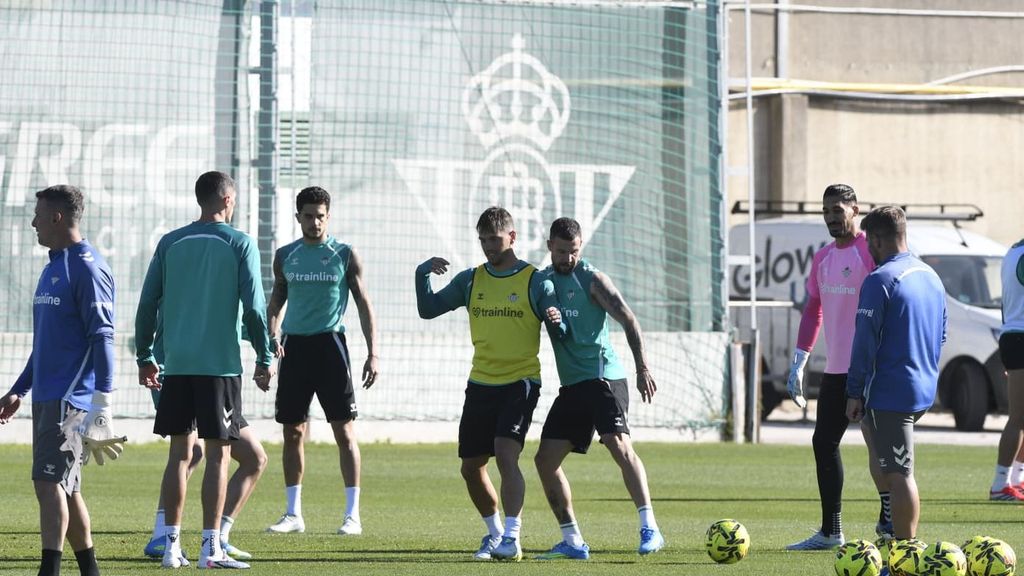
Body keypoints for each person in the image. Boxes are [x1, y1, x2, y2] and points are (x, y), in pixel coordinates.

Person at [135, 171, 274, 570]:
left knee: (180, 455)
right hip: (219, 368)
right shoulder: (239, 242)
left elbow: (147, 304)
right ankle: (211, 547)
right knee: (217, 456)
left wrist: (145, 355)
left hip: (177, 366)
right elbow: (254, 308)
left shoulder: (170, 242)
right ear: (228, 199)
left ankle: (170, 547)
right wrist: (264, 356)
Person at [415, 206, 563, 562]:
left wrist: (557, 320)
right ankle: (495, 534)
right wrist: (421, 275)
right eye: (483, 240)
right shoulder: (471, 280)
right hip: (481, 382)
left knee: (506, 454)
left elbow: (560, 327)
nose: (488, 247)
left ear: (512, 237)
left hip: (520, 381)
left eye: (495, 239)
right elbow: (428, 309)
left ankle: (512, 537)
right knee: (470, 467)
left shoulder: (534, 280)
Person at [0, 185, 123, 576]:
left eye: (38, 215)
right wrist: (19, 389)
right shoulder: (54, 265)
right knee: (66, 488)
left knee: (47, 482)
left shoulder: (86, 267)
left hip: (70, 399)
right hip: (48, 396)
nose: (33, 223)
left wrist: (102, 405)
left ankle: (49, 570)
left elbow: (103, 337)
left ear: (56, 217)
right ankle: (90, 571)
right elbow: (47, 342)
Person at [533, 217, 665, 560]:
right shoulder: (543, 281)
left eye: (574, 251)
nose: (568, 258)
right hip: (573, 386)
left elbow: (628, 318)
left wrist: (642, 368)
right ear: (550, 246)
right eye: (562, 251)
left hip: (604, 377)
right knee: (545, 460)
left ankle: (650, 527)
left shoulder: (592, 280)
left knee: (618, 445)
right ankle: (573, 540)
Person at [265, 186, 379, 536]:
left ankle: (352, 515)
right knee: (292, 431)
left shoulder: (344, 254)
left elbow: (363, 304)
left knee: (344, 431)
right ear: (297, 217)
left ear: (328, 217)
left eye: (320, 216)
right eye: (308, 216)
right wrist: (272, 337)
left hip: (331, 347)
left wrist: (373, 353)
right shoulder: (286, 256)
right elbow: (276, 301)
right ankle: (293, 514)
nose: (315, 222)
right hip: (294, 349)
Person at [785, 184, 893, 550]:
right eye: (826, 211)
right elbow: (813, 310)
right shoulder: (823, 258)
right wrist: (799, 360)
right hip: (836, 370)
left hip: (870, 368)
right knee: (824, 443)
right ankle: (831, 531)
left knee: (877, 444)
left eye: (838, 210)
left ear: (855, 210)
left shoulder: (869, 253)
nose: (831, 217)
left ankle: (890, 518)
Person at [845, 205, 946, 542]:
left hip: (892, 392)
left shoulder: (880, 280)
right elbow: (941, 334)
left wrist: (854, 391)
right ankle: (890, 517)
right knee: (872, 434)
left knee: (900, 473)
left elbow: (863, 344)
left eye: (867, 243)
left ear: (876, 240)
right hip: (922, 387)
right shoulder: (930, 276)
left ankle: (905, 551)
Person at [143, 327, 268, 562]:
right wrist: (263, 343)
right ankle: (166, 537)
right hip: (182, 374)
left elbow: (217, 320)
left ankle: (217, 536)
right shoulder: (179, 305)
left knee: (253, 457)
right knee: (191, 452)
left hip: (204, 374)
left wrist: (262, 338)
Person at [988, 238, 1024, 500]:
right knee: (1018, 417)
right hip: (1020, 336)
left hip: (1014, 336)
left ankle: (1016, 478)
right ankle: (1000, 484)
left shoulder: (1013, 250)